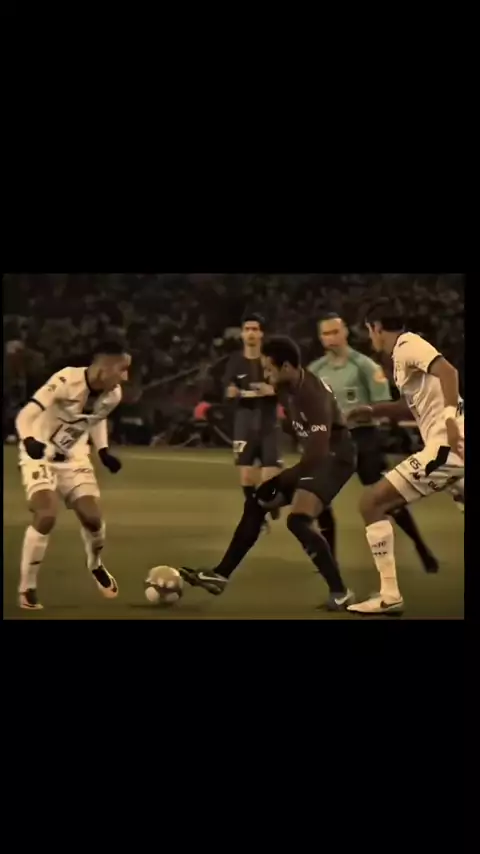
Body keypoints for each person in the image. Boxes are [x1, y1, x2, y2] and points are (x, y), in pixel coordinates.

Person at [179, 336, 356, 611]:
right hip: (316, 459)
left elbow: (319, 452)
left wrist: (285, 479)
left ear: (286, 366)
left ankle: (340, 592)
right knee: (256, 503)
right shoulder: (285, 387)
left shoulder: (313, 395)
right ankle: (220, 575)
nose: (266, 375)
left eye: (269, 369)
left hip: (335, 458)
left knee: (298, 521)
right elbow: (292, 424)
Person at [345, 301, 464, 615]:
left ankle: (389, 595)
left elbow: (449, 372)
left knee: (371, 503)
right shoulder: (401, 358)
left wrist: (450, 421)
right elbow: (410, 406)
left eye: (369, 331)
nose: (370, 337)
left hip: (447, 447)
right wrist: (372, 410)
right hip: (454, 447)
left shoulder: (409, 344)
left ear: (376, 328)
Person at [308, 312, 438, 572]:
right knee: (319, 497)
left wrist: (361, 413)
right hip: (332, 440)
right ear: (320, 338)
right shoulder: (315, 370)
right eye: (325, 334)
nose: (331, 338)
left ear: (345, 332)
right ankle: (329, 560)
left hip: (363, 437)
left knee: (382, 497)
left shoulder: (364, 366)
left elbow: (382, 404)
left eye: (335, 332)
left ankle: (421, 547)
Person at [14, 341, 130, 610]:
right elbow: (26, 415)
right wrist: (29, 440)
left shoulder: (113, 394)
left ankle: (95, 564)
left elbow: (97, 419)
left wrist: (103, 450)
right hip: (39, 452)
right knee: (46, 515)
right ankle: (27, 588)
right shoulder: (66, 380)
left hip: (74, 457)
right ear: (104, 367)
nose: (125, 377)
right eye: (122, 369)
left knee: (93, 518)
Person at [222, 314, 283, 503]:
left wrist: (273, 390)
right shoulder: (235, 361)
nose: (251, 333)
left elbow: (287, 387)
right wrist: (231, 391)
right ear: (242, 334)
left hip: (268, 421)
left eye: (255, 329)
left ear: (261, 334)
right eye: (247, 329)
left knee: (269, 476)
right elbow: (228, 387)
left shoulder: (271, 361)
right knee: (247, 476)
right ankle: (254, 510)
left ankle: (271, 502)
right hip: (244, 421)